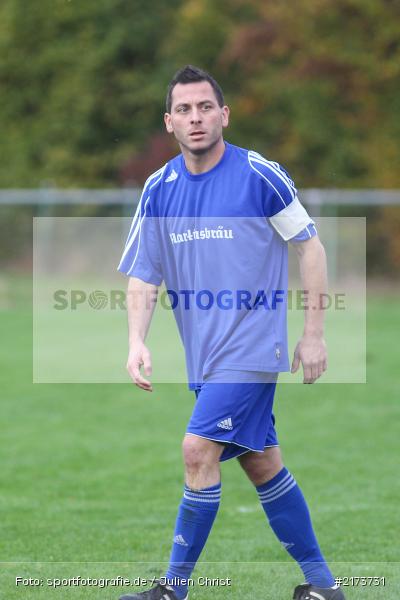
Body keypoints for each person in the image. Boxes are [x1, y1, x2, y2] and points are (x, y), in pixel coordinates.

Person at [117, 65, 345, 600]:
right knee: (263, 464)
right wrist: (136, 340)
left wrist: (314, 333)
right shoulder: (159, 188)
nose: (195, 118)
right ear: (169, 121)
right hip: (205, 356)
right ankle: (323, 588)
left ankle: (172, 590)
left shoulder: (258, 175)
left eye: (204, 107)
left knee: (198, 450)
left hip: (252, 347)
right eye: (184, 110)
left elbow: (310, 246)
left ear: (224, 114)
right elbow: (143, 273)